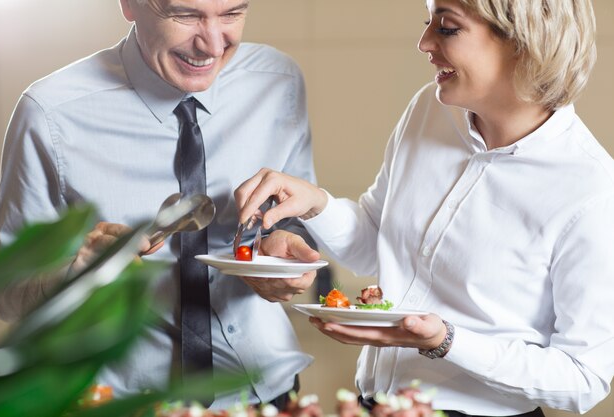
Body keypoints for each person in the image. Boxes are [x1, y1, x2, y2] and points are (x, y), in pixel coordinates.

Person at [235, 0, 614, 415]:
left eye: (447, 28)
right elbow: (375, 245)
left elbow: (583, 378)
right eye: (427, 21)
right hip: (373, 405)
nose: (423, 43)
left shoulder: (590, 189)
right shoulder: (429, 109)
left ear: (524, 43)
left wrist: (446, 341)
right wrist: (315, 204)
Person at [0, 0, 321, 410]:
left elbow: (297, 215)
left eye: (232, 14)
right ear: (129, 5)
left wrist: (285, 244)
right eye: (185, 15)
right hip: (120, 403)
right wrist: (77, 273)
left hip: (266, 391)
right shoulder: (49, 114)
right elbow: (6, 295)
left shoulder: (278, 81)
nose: (213, 45)